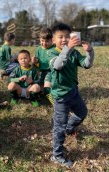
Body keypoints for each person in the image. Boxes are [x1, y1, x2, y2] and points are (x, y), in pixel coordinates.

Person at [46, 23, 94, 167]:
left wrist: (90, 51)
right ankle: (57, 155)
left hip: (73, 91)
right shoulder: (51, 53)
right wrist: (68, 49)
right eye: (60, 37)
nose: (65, 39)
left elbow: (86, 64)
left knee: (82, 112)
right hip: (60, 97)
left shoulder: (73, 52)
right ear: (54, 40)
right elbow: (58, 65)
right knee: (58, 127)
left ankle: (69, 128)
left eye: (67, 36)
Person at [31, 27, 54, 105]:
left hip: (50, 71)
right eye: (42, 41)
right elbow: (37, 61)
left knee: (47, 87)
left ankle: (54, 103)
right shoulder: (39, 49)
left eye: (47, 41)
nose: (44, 43)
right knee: (39, 88)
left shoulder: (54, 49)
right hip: (41, 71)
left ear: (52, 40)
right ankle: (40, 96)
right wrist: (34, 61)